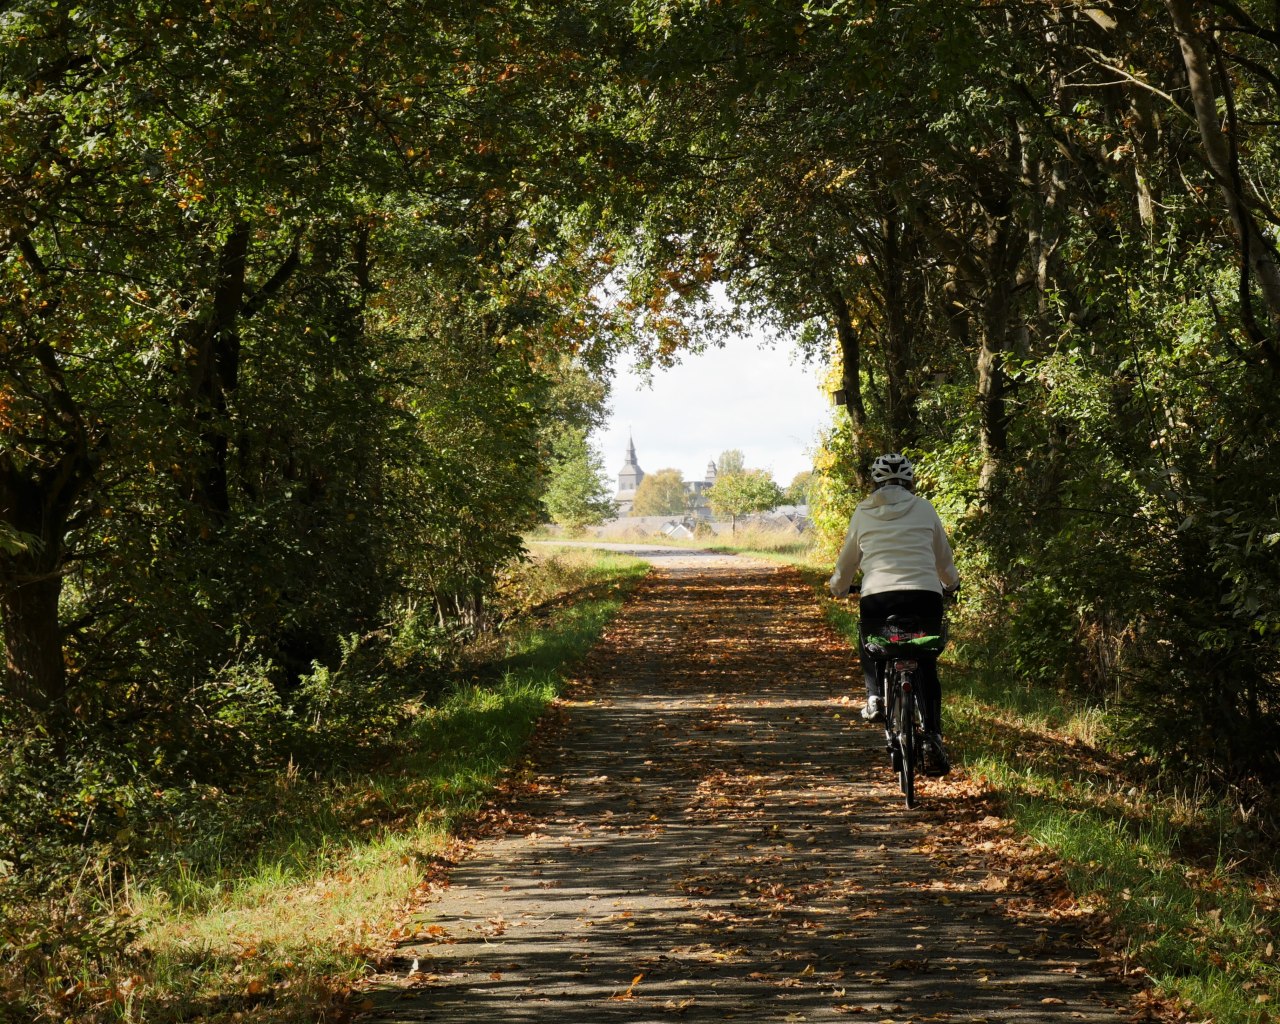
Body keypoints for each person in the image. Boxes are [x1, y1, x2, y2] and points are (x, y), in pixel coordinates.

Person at [827, 452, 960, 776]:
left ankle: (874, 696)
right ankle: (933, 734)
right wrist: (952, 585)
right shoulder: (925, 508)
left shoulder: (863, 512)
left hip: (879, 597)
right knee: (925, 662)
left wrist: (838, 587)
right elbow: (943, 558)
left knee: (871, 641)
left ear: (876, 482)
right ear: (909, 481)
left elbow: (847, 561)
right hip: (925, 597)